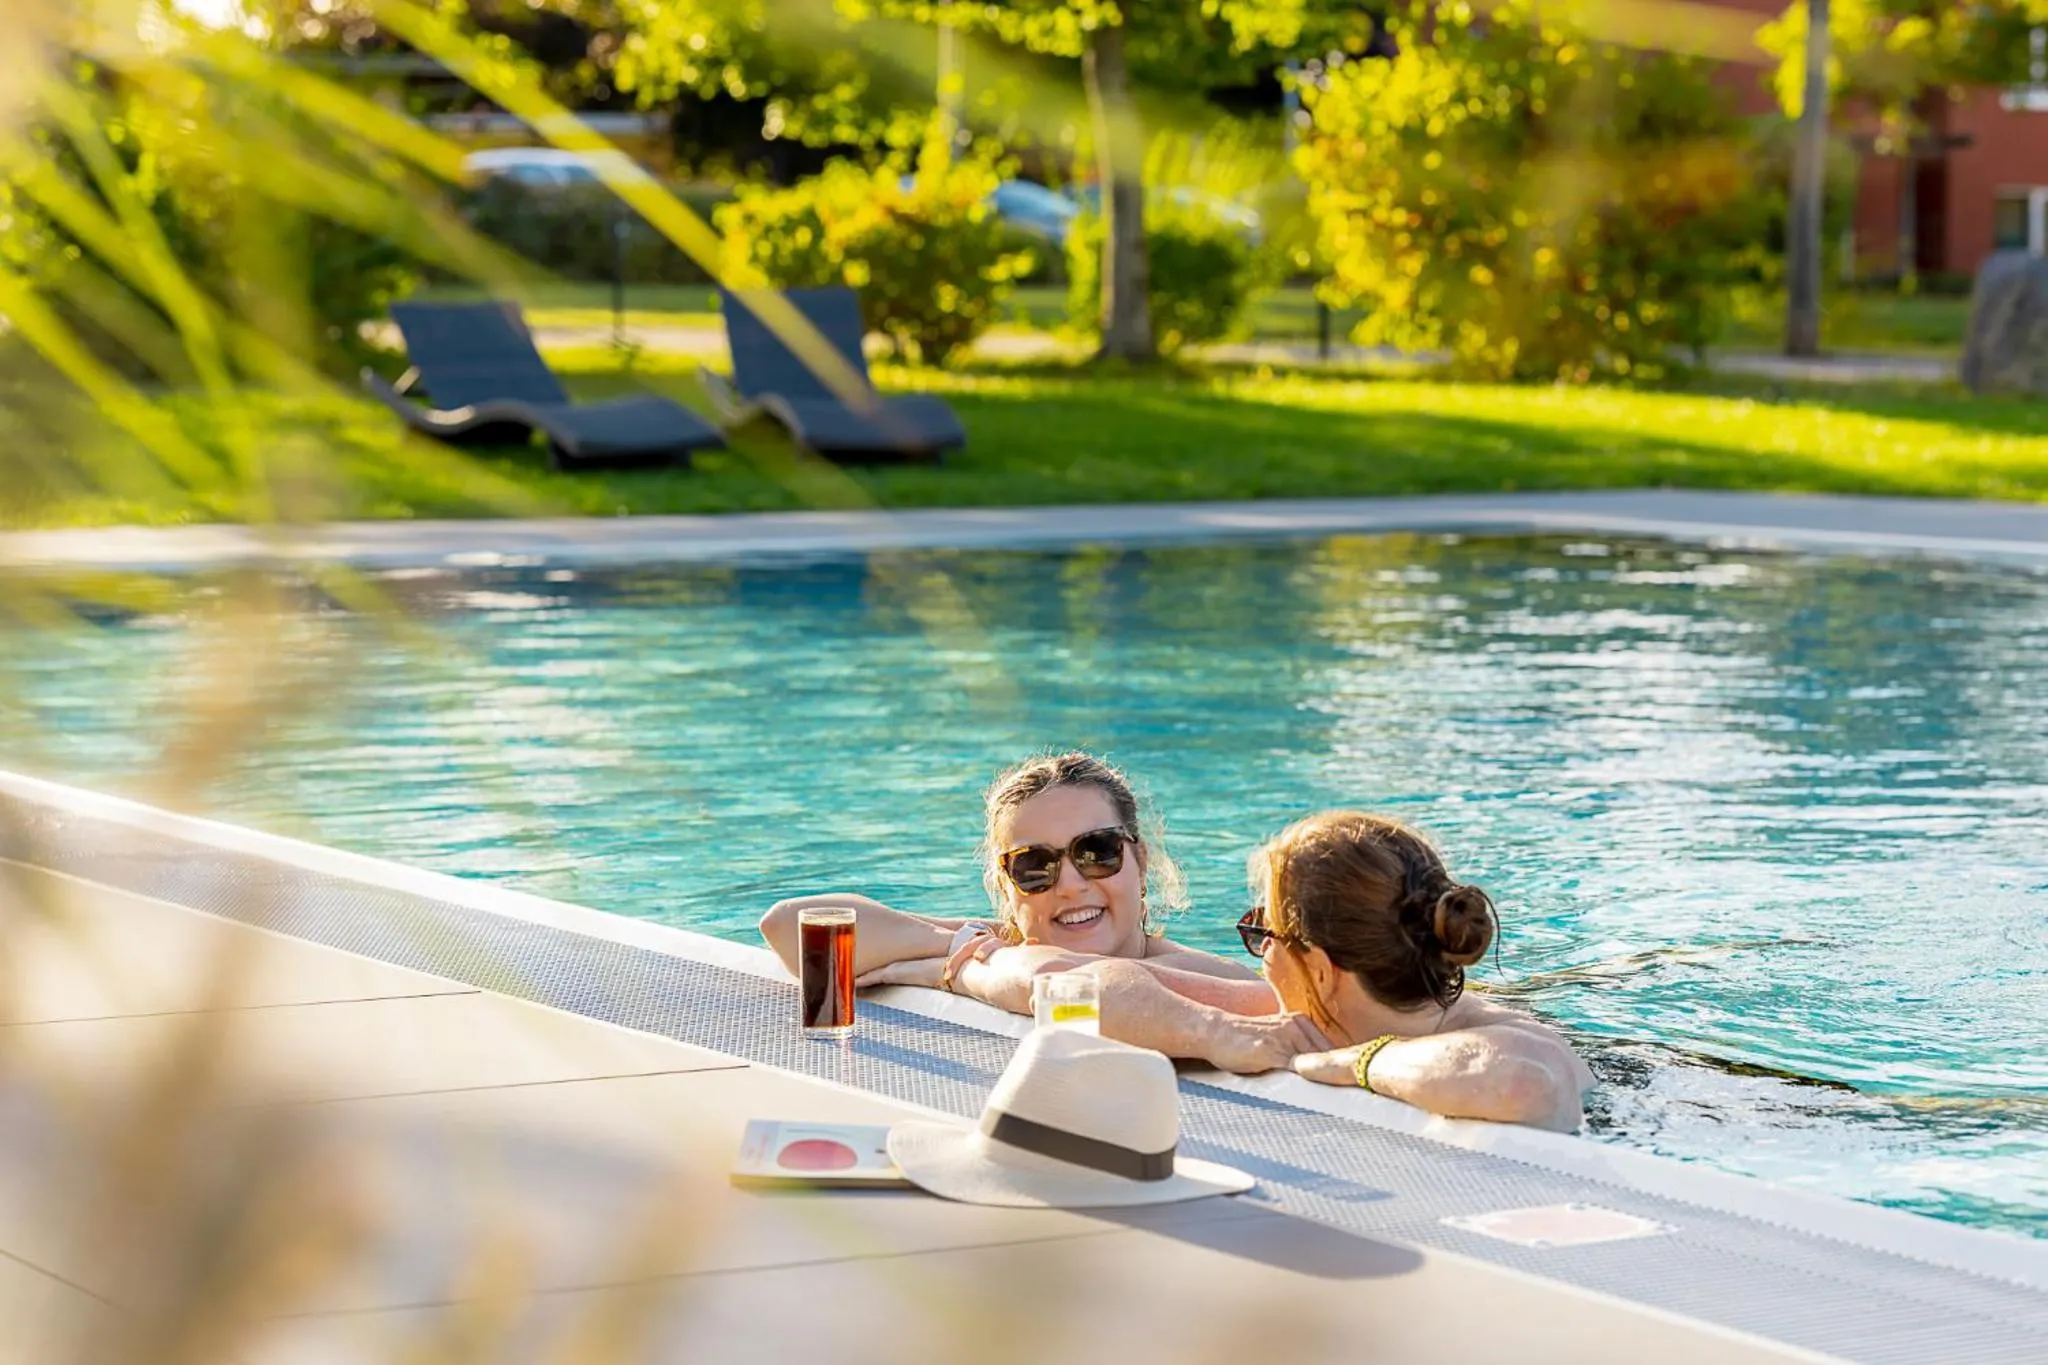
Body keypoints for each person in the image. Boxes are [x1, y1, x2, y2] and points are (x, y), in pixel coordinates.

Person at [761, 751, 1323, 1074]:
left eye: (1096, 852)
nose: (1071, 885)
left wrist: (958, 963)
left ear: (1140, 862)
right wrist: (964, 946)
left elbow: (1078, 983)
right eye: (1035, 866)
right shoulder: (997, 945)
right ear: (1007, 888)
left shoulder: (1208, 974)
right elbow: (788, 926)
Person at [1241, 810, 1592, 1130]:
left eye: (1265, 933)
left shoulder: (1503, 1049)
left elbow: (1524, 1086)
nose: (1263, 954)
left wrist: (1354, 1063)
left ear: (1320, 971)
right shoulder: (1418, 1020)